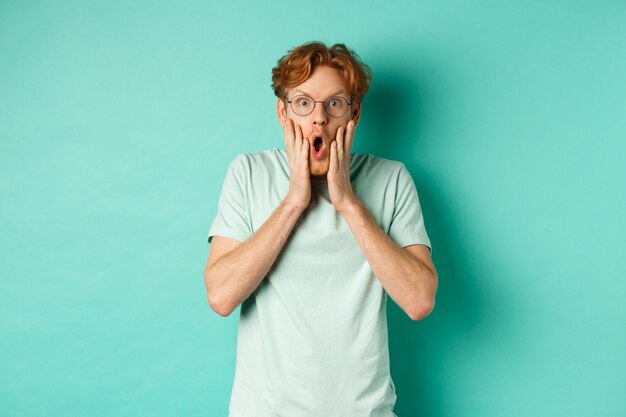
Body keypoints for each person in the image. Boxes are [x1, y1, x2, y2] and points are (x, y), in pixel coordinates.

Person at [204, 41, 438, 417]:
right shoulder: (249, 173)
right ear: (283, 112)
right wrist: (294, 201)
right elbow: (221, 296)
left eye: (334, 104)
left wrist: (348, 202)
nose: (318, 119)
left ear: (354, 113)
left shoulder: (391, 179)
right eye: (303, 103)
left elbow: (419, 301)